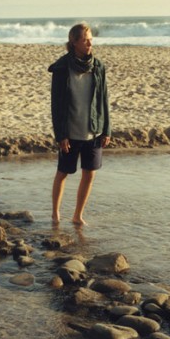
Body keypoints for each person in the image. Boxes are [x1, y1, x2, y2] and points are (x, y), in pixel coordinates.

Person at [49, 23, 111, 226]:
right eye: (85, 39)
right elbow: (56, 105)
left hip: (93, 130)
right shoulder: (61, 68)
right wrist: (61, 135)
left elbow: (103, 99)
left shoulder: (98, 66)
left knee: (89, 173)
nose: (90, 42)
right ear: (74, 42)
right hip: (70, 131)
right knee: (63, 172)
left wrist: (106, 129)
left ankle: (77, 215)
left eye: (91, 38)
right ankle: (56, 215)